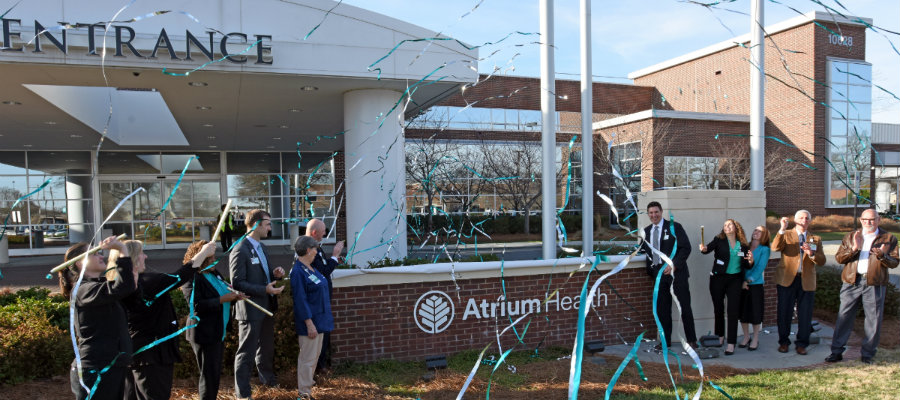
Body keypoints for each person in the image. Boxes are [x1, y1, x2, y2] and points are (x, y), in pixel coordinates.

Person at [118, 239, 214, 400]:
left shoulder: (116, 286)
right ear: (132, 258)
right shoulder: (147, 282)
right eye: (141, 253)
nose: (146, 257)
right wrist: (203, 253)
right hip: (153, 356)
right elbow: (181, 275)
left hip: (132, 352)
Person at [58, 236, 135, 400]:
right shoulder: (83, 289)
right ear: (80, 263)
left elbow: (127, 289)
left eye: (101, 253)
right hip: (96, 368)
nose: (102, 256)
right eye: (95, 254)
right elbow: (123, 287)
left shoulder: (98, 286)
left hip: (111, 364)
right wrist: (123, 251)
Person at [827, 209, 898, 364]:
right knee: (843, 317)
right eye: (865, 219)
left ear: (879, 220)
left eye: (872, 219)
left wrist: (881, 255)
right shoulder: (852, 236)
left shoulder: (888, 238)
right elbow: (839, 258)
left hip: (874, 283)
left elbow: (894, 263)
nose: (868, 222)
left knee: (873, 320)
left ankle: (868, 354)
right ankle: (836, 352)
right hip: (851, 281)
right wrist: (854, 249)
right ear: (861, 220)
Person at [229, 209, 285, 400]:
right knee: (246, 352)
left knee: (266, 349)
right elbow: (237, 283)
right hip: (251, 310)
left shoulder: (262, 248)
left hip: (266, 307)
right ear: (256, 225)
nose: (270, 228)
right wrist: (264, 290)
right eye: (268, 224)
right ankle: (243, 394)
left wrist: (275, 274)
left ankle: (268, 382)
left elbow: (263, 275)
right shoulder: (240, 249)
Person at [181, 240, 248, 400]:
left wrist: (235, 297)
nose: (214, 261)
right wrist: (222, 299)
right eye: (210, 259)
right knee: (208, 375)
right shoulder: (191, 278)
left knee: (214, 373)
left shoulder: (214, 273)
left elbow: (224, 292)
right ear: (201, 259)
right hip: (204, 333)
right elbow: (196, 305)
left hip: (218, 331)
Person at [640, 201, 698, 350]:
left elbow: (686, 248)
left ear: (661, 212)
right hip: (658, 277)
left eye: (656, 212)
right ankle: (666, 341)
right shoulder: (645, 231)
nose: (654, 215)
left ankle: (692, 340)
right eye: (651, 213)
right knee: (662, 311)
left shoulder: (674, 227)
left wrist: (674, 265)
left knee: (684, 307)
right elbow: (644, 251)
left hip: (676, 275)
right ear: (648, 214)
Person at [772, 210, 825, 355]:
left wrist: (811, 254)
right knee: (784, 312)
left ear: (810, 221)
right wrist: (782, 229)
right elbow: (775, 247)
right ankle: (784, 342)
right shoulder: (787, 234)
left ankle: (802, 344)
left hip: (806, 280)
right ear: (795, 220)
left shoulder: (814, 238)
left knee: (805, 314)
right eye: (801, 217)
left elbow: (822, 260)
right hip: (787, 279)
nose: (804, 220)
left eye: (807, 218)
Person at [290, 235, 334, 400]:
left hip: (321, 321)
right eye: (315, 249)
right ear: (308, 250)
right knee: (307, 360)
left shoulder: (311, 268)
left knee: (313, 359)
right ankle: (304, 393)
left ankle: (307, 388)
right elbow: (300, 300)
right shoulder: (298, 272)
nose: (317, 252)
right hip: (311, 323)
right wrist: (309, 324)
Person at [699, 219, 750, 355]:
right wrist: (703, 249)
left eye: (729, 224)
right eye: (725, 225)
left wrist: (750, 261)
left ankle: (731, 343)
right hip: (718, 278)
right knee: (719, 309)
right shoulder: (719, 240)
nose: (726, 227)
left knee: (733, 312)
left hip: (735, 280)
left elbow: (747, 265)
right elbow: (706, 250)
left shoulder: (743, 245)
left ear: (736, 227)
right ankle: (720, 337)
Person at [305, 218, 344, 374]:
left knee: (325, 334)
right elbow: (323, 271)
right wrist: (335, 255)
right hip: (316, 302)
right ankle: (317, 369)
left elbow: (323, 266)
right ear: (314, 233)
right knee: (319, 335)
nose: (325, 233)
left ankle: (321, 366)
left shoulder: (316, 248)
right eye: (323, 231)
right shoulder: (308, 249)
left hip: (323, 300)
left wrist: (333, 261)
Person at [739, 225, 771, 351]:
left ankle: (755, 338)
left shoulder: (764, 249)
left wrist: (749, 280)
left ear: (764, 235)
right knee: (743, 312)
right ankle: (746, 337)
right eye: (755, 230)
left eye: (760, 231)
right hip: (741, 284)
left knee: (755, 312)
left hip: (755, 284)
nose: (756, 232)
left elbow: (760, 268)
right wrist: (742, 280)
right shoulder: (745, 246)